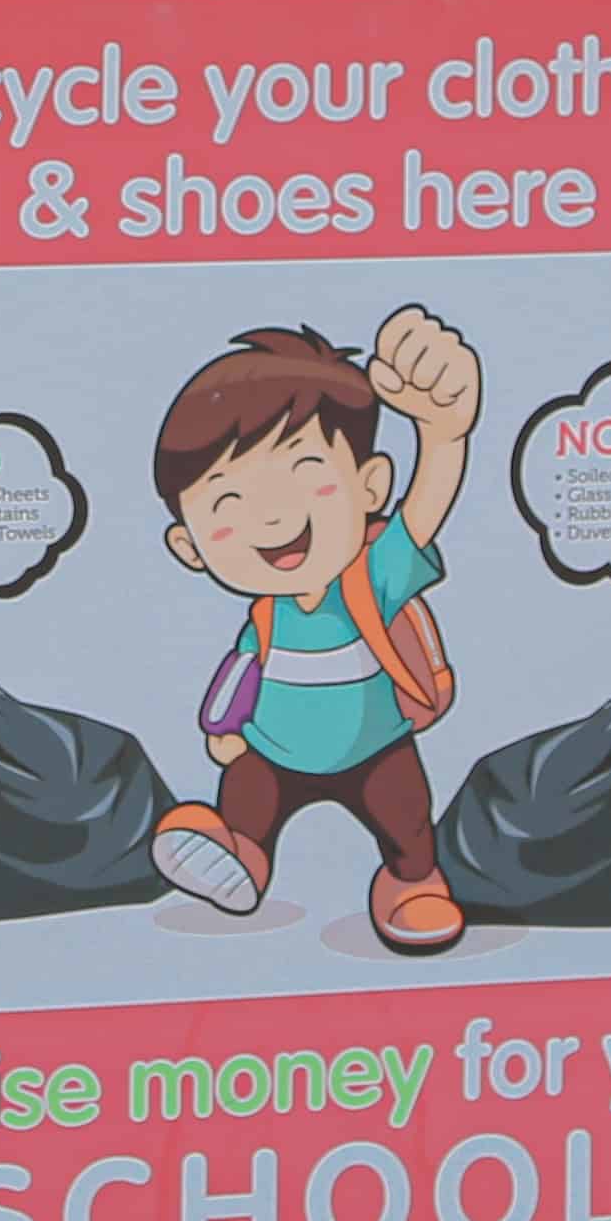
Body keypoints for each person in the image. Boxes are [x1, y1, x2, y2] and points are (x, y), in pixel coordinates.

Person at [142, 309, 482, 955]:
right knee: (248, 801)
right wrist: (224, 730)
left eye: (305, 476)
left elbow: (424, 512)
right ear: (189, 546)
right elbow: (243, 673)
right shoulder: (266, 615)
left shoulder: (373, 576)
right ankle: (240, 856)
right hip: (273, 750)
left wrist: (442, 436)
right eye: (228, 502)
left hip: (376, 746)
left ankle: (411, 883)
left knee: (406, 822)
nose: (273, 518)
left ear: (370, 486)